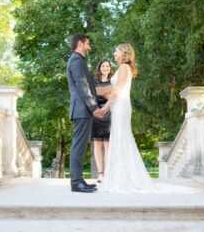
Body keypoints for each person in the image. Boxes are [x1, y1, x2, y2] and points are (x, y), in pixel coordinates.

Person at [99, 43, 154, 193]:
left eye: (116, 51)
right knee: (119, 138)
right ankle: (120, 176)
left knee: (121, 138)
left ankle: (125, 179)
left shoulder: (124, 68)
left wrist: (105, 107)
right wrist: (100, 92)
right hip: (119, 106)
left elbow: (117, 90)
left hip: (121, 106)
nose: (114, 53)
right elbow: (113, 90)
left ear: (123, 53)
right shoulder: (123, 68)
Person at [66, 34, 105, 193]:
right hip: (82, 109)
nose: (89, 46)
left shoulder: (78, 61)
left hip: (83, 110)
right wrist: (94, 107)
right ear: (80, 43)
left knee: (80, 147)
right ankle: (76, 183)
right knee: (78, 146)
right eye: (87, 43)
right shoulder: (76, 61)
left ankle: (79, 180)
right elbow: (83, 87)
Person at [92, 60, 113, 183]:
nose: (105, 68)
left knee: (108, 145)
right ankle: (100, 174)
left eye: (107, 66)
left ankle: (108, 173)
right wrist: (107, 93)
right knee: (97, 144)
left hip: (109, 113)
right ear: (99, 68)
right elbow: (92, 95)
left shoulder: (113, 81)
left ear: (110, 68)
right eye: (103, 66)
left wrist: (102, 93)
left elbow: (114, 97)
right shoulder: (94, 82)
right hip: (96, 113)